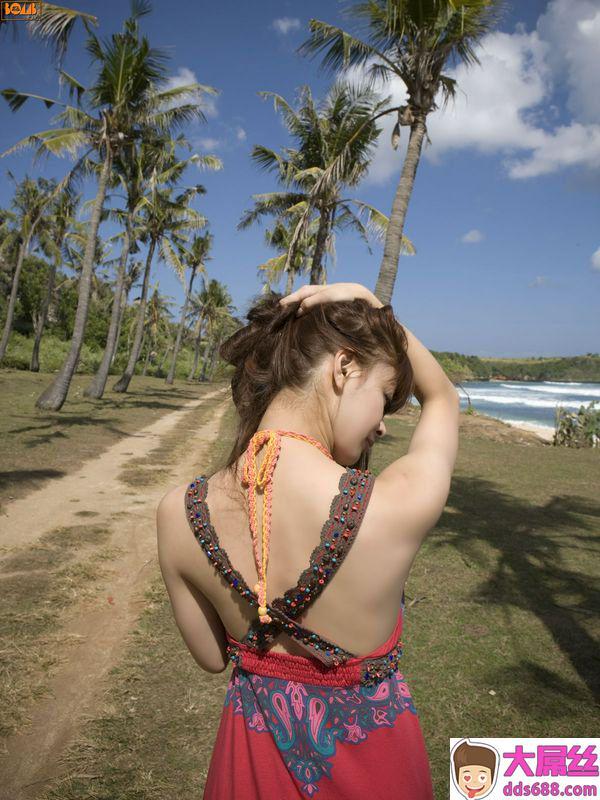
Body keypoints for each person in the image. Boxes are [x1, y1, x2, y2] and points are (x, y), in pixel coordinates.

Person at [156, 281, 460, 799]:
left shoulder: (178, 514)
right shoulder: (390, 508)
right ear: (343, 367)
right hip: (376, 775)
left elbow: (211, 657)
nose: (382, 427)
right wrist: (371, 304)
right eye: (384, 398)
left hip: (249, 777)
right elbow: (444, 397)